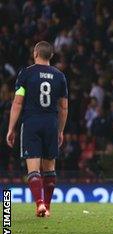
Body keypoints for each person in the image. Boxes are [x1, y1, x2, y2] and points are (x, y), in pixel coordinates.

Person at [6, 41, 68, 217]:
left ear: (35, 54)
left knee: (33, 169)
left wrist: (11, 128)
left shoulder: (26, 74)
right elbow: (63, 107)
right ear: (51, 56)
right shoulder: (59, 76)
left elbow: (18, 101)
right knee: (50, 169)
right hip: (51, 123)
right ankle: (47, 207)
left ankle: (39, 204)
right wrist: (60, 130)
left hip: (31, 122)